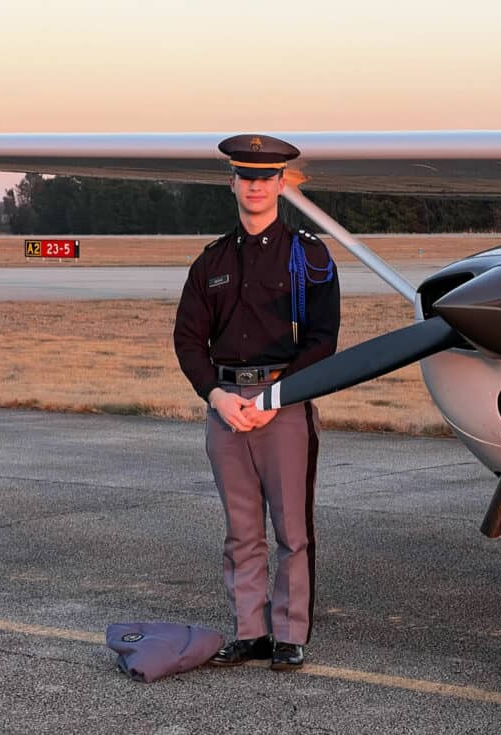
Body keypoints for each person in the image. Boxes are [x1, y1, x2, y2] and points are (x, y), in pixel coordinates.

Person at [173, 134, 340, 671]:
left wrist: (275, 397)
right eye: (246, 176)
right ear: (233, 184)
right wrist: (216, 395)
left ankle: (290, 635)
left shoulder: (308, 256)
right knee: (241, 530)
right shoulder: (211, 261)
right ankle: (251, 631)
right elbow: (187, 339)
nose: (256, 185)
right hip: (225, 407)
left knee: (293, 530)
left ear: (282, 183)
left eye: (266, 177)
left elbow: (323, 340)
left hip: (283, 404)